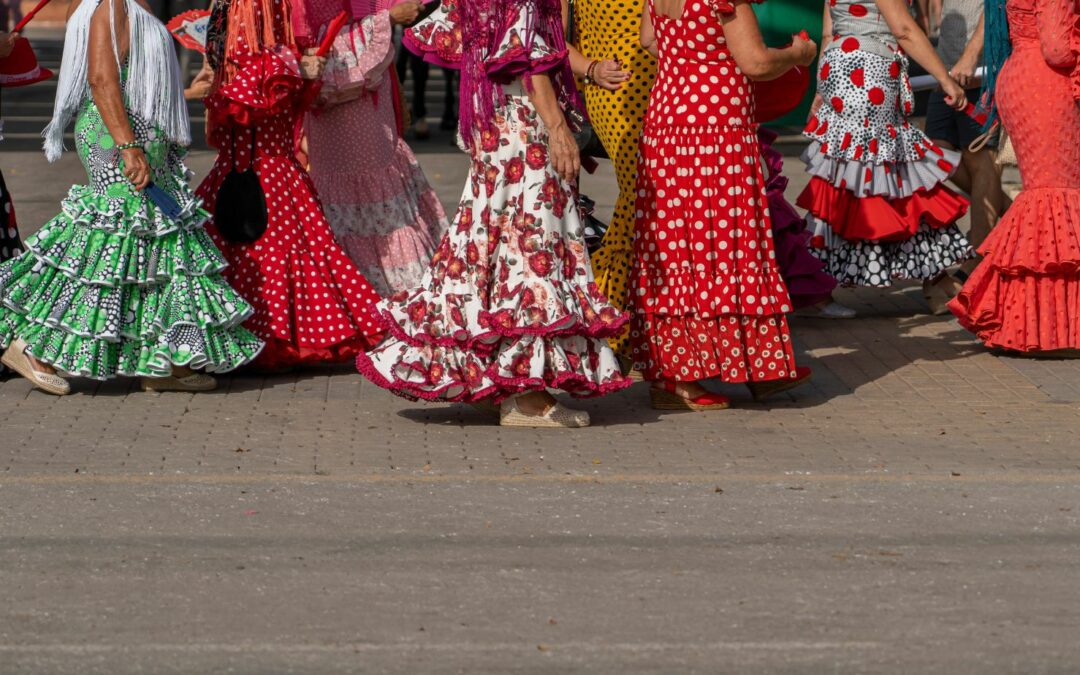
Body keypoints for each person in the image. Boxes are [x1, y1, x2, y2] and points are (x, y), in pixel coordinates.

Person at [359, 0, 631, 428]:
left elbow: (531, 45)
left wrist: (590, 69)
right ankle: (526, 398)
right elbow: (527, 58)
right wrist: (559, 129)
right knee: (530, 247)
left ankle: (493, 378)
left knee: (490, 248)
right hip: (524, 127)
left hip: (497, 125)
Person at [0, 0, 263, 395]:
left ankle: (158, 361)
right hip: (117, 137)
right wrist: (127, 146)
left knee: (153, 243)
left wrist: (188, 93)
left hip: (136, 135)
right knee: (108, 236)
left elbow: (138, 78)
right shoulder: (111, 4)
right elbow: (102, 79)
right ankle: (33, 345)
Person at [631, 0, 815, 411]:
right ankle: (708, 373)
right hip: (716, 130)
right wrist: (798, 55)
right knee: (729, 244)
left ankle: (694, 370)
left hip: (667, 122)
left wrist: (692, 60)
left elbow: (649, 40)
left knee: (680, 246)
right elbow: (755, 63)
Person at [196, 0, 385, 371]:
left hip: (267, 161)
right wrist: (296, 66)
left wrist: (300, 66)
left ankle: (269, 336)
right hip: (259, 166)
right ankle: (268, 337)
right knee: (272, 243)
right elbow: (246, 86)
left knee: (289, 244)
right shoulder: (251, 7)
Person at [800, 0, 973, 309]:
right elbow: (904, 30)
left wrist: (819, 91)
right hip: (870, 73)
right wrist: (945, 79)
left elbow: (828, 34)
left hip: (838, 69)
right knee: (891, 175)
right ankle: (935, 279)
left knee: (849, 177)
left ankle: (817, 284)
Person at [948, 0, 1080, 355]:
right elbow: (1058, 48)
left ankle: (1028, 325)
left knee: (1045, 199)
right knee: (1056, 200)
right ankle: (1047, 331)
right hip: (1047, 84)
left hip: (1022, 76)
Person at [294, 0, 449, 297]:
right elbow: (317, 30)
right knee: (350, 184)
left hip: (363, 89)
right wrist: (387, 18)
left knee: (377, 180)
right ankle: (360, 296)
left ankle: (385, 294)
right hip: (335, 81)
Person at [568, 0, 656, 359]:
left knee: (653, 206)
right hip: (619, 90)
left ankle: (638, 331)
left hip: (667, 85)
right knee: (642, 200)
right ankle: (607, 323)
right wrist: (589, 68)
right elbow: (550, 38)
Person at [917, 0, 1007, 281]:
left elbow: (996, 6)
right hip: (945, 71)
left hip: (981, 72)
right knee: (934, 155)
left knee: (980, 161)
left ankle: (976, 264)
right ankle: (1019, 216)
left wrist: (970, 55)